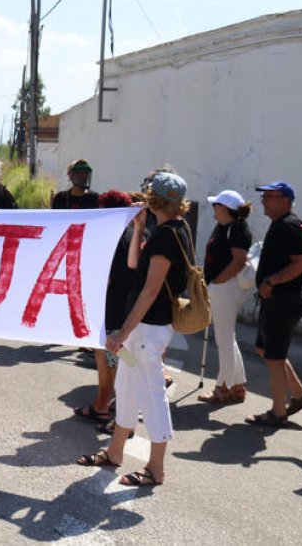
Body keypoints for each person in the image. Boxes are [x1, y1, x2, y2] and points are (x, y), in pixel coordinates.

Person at [76, 172, 191, 486]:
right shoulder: (168, 228)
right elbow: (133, 266)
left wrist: (121, 333)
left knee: (153, 397)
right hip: (142, 330)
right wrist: (140, 226)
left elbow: (150, 290)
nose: (143, 195)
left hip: (147, 331)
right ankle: (115, 452)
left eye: (148, 192)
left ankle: (156, 468)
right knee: (125, 389)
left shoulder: (169, 235)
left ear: (156, 198)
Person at [245, 181, 302, 426]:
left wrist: (271, 281)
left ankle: (278, 412)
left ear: (283, 201)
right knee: (266, 350)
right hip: (277, 301)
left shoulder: (288, 226)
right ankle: (299, 395)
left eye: (268, 196)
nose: (263, 200)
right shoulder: (286, 225)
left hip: (282, 301)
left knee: (274, 356)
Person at [72, 190, 134, 426]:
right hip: (126, 307)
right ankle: (101, 404)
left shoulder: (112, 238)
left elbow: (105, 278)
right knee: (113, 357)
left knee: (111, 359)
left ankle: (108, 406)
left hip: (111, 308)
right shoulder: (134, 234)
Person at [198, 189, 252, 405]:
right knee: (227, 338)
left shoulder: (237, 229)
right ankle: (237, 386)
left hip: (227, 288)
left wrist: (218, 282)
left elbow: (239, 260)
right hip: (223, 287)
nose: (213, 209)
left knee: (224, 340)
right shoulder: (225, 226)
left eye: (216, 206)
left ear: (224, 208)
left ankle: (223, 388)